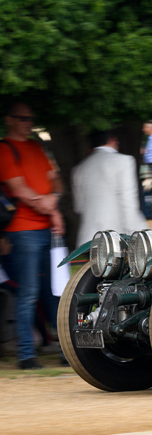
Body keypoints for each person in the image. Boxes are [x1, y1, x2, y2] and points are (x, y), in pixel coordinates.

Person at [0, 102, 64, 369]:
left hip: (45, 229)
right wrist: (51, 208)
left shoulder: (37, 146)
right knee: (29, 292)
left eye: (31, 118)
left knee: (54, 293)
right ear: (9, 120)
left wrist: (54, 199)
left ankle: (65, 350)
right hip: (23, 230)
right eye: (22, 118)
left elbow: (57, 179)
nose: (28, 122)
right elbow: (19, 189)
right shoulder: (4, 148)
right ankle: (26, 354)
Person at [73, 130, 147, 245]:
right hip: (117, 236)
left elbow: (79, 207)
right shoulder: (124, 161)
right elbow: (128, 200)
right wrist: (133, 234)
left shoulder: (79, 168)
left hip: (89, 238)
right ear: (113, 140)